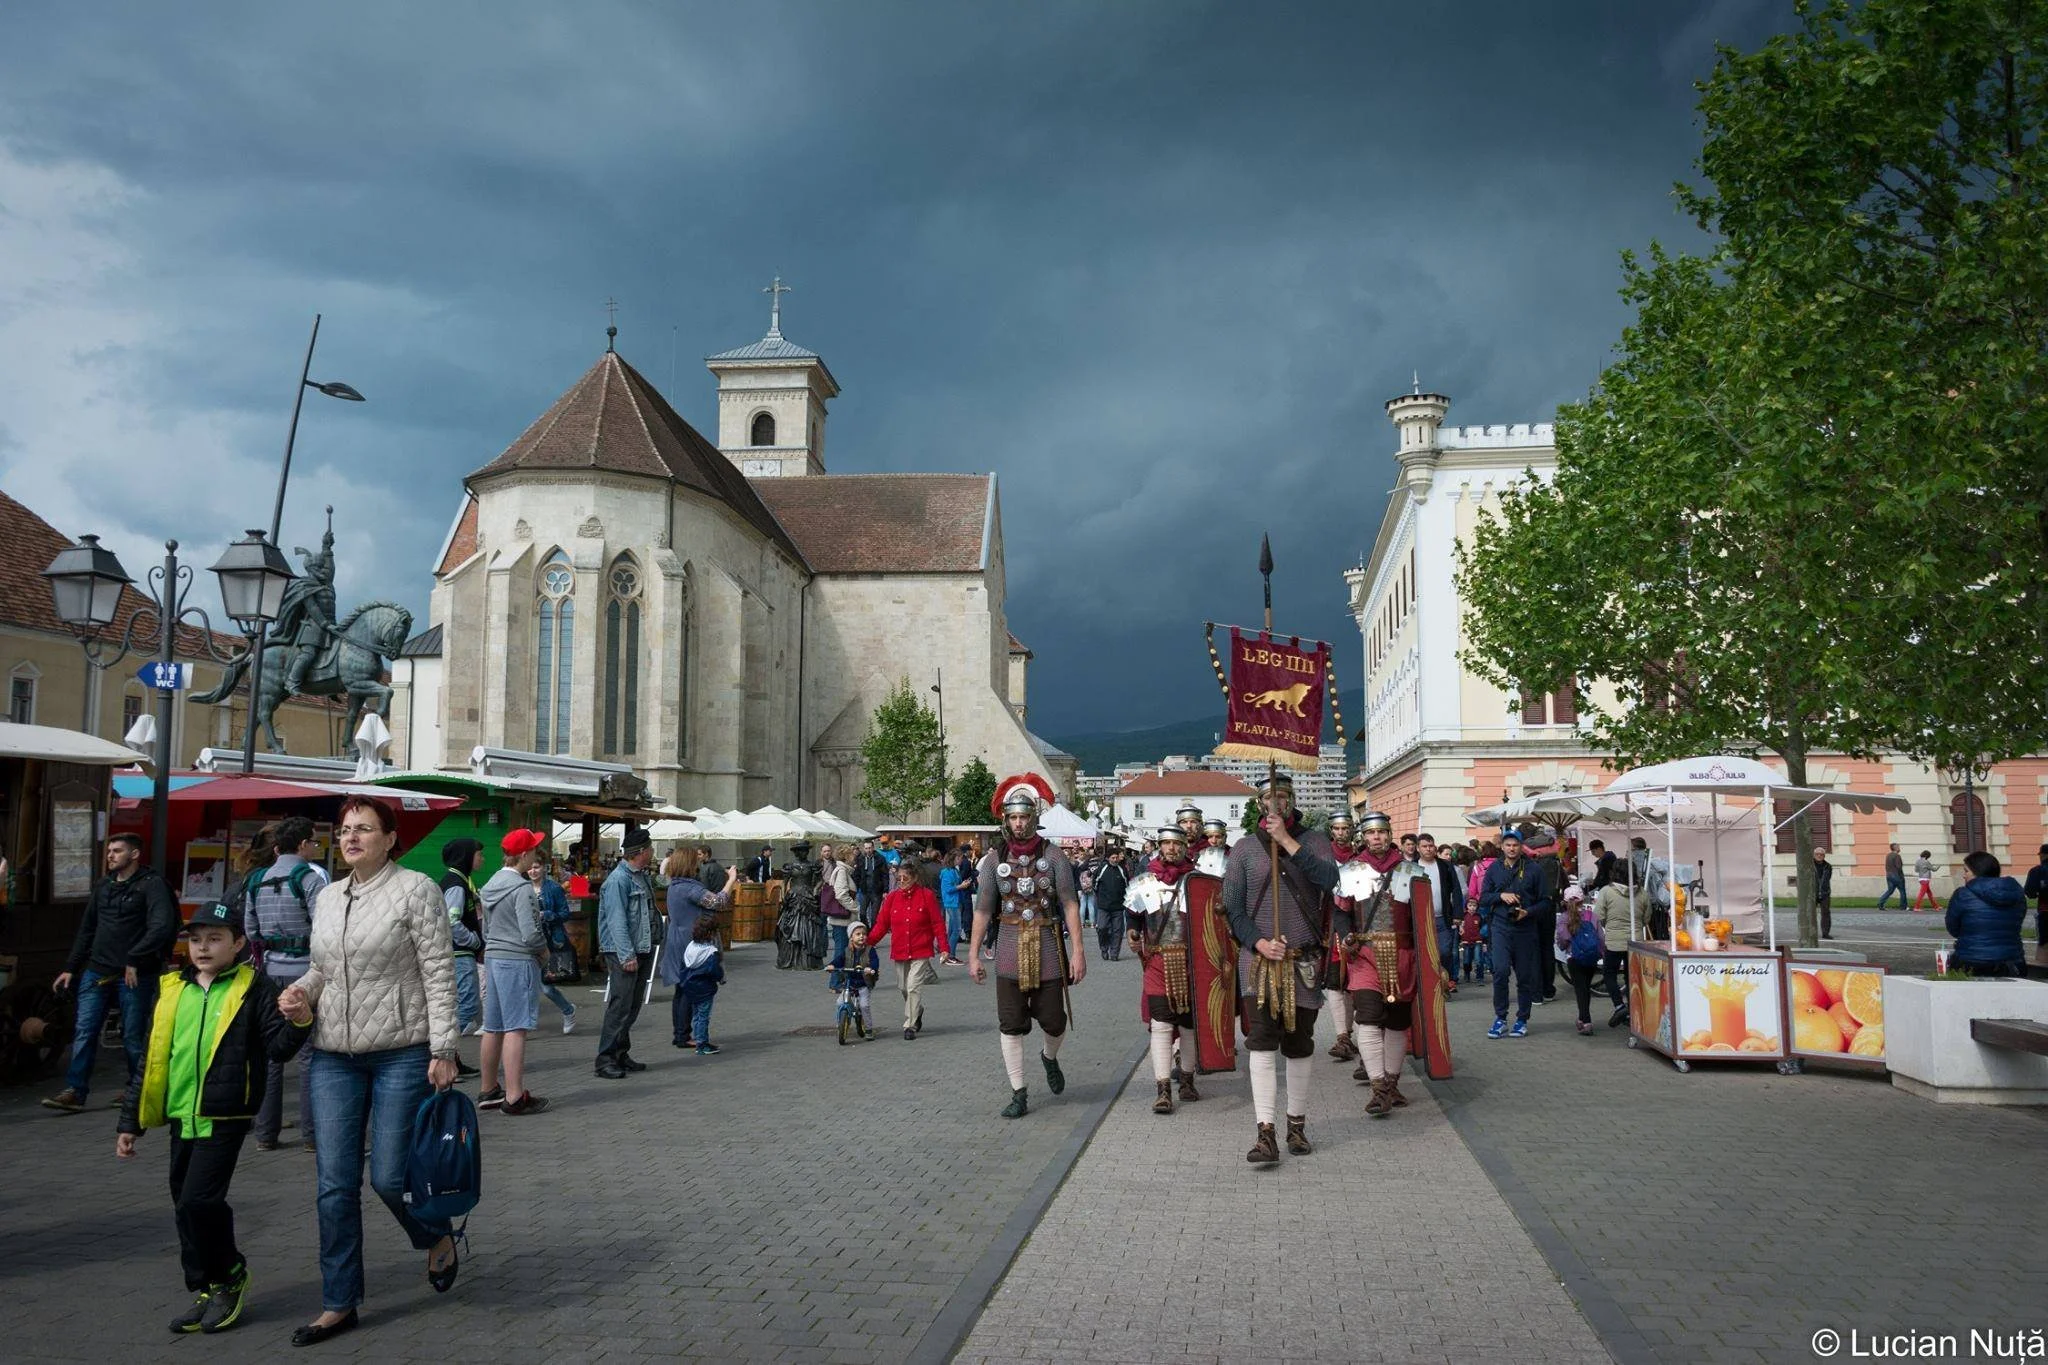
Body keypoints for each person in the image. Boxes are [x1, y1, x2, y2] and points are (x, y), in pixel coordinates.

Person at [275, 795, 461, 1347]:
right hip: (332, 1053)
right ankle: (338, 1303)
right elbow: (322, 967)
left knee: (388, 1176)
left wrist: (444, 1047)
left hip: (402, 1049)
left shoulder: (416, 891)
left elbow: (439, 972)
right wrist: (300, 992)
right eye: (344, 830)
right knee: (334, 1185)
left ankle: (435, 1235)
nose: (350, 837)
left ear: (389, 837)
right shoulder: (329, 896)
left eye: (363, 829)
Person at [117, 901, 311, 1335]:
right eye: (196, 939)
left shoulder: (251, 987)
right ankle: (204, 1287)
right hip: (180, 1115)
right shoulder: (172, 988)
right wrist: (131, 1122)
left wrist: (299, 1021)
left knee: (198, 1201)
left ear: (238, 944)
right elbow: (150, 1059)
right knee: (183, 1205)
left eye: (215, 938)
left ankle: (231, 1275)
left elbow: (278, 1049)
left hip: (225, 1115)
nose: (203, 947)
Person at [1223, 771, 1338, 1161]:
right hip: (1257, 961)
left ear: (1292, 800)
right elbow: (1233, 909)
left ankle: (1297, 1125)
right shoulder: (1242, 850)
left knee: (1300, 1044)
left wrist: (1287, 842)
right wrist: (1257, 940)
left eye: (1283, 796)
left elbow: (1329, 880)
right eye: (1269, 797)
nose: (1276, 803)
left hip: (1301, 958)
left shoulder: (1314, 842)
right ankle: (1265, 1131)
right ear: (1259, 804)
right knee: (1261, 1041)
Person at [969, 775, 1085, 1118]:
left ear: (1034, 818)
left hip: (1047, 943)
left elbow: (1070, 905)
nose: (1019, 823)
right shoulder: (993, 860)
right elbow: (983, 909)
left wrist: (1078, 951)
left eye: (1024, 816)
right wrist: (973, 954)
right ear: (1006, 819)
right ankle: (1019, 1092)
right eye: (1014, 817)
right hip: (1008, 946)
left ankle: (1049, 1057)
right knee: (1011, 1023)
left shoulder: (1055, 857)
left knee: (1054, 1021)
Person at [44, 831, 178, 1114]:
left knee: (132, 1033)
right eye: (109, 852)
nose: (110, 856)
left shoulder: (152, 886)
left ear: (134, 854)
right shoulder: (103, 886)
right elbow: (88, 928)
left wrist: (136, 957)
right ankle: (75, 1091)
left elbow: (162, 926)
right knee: (84, 1031)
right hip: (97, 969)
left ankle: (136, 1088)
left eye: (117, 851)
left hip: (136, 973)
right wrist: (71, 967)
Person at [244, 816, 328, 1150]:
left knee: (272, 1053)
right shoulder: (309, 880)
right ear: (304, 844)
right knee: (309, 1053)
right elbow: (325, 928)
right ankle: (311, 1135)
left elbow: (250, 930)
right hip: (304, 971)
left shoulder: (256, 880)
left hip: (269, 971)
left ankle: (266, 1133)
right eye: (314, 843)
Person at [1127, 826, 1202, 1114]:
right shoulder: (1143, 881)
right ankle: (1162, 1089)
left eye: (1176, 843)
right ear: (1160, 846)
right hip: (1158, 962)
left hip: (1191, 963)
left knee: (1188, 1026)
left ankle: (1187, 1079)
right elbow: (1133, 915)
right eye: (1166, 843)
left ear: (1185, 846)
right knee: (1160, 1026)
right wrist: (1133, 933)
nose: (1171, 848)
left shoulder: (1197, 882)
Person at [476, 829, 550, 1115]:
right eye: (532, 850)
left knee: (493, 1026)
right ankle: (515, 1095)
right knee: (516, 1027)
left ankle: (488, 1088)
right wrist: (543, 951)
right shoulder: (521, 889)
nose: (534, 855)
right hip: (517, 959)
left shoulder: (490, 885)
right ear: (522, 855)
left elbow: (485, 928)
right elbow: (531, 933)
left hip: (493, 956)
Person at [1332, 812, 1400, 1072]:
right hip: (1365, 954)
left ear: (1389, 835)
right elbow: (1340, 911)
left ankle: (1389, 1075)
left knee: (1395, 1017)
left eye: (1381, 832)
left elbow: (1420, 915)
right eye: (1371, 832)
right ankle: (1375, 1075)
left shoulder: (1406, 868)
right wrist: (1345, 934)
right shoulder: (1351, 870)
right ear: (1364, 836)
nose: (1376, 837)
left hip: (1399, 954)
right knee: (1369, 1013)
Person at [595, 827, 656, 1080]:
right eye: (650, 848)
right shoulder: (618, 881)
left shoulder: (640, 876)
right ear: (640, 852)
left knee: (631, 1004)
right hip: (624, 951)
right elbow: (616, 920)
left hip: (641, 948)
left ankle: (621, 1052)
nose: (653, 852)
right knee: (620, 1005)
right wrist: (626, 955)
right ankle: (605, 1059)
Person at [1478, 828, 1550, 1039]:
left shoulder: (1534, 869)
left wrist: (1528, 912)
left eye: (1515, 845)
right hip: (1500, 927)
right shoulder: (1494, 869)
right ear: (1502, 846)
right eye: (1508, 845)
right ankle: (1500, 1018)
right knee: (1500, 972)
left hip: (1525, 929)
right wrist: (1501, 895)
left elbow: (1546, 901)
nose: (1511, 848)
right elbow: (1483, 898)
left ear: (1521, 847)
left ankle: (1522, 1019)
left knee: (1524, 977)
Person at [661, 847, 734, 1046]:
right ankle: (685, 1035)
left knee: (681, 988)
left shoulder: (674, 886)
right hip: (690, 942)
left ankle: (680, 1034)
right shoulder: (689, 888)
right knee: (689, 988)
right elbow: (718, 902)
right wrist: (731, 880)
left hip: (677, 939)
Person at [870, 859, 948, 1040]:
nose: (902, 881)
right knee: (903, 987)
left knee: (913, 986)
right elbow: (881, 925)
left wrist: (944, 947)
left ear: (914, 878)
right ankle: (917, 1010)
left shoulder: (926, 895)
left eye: (905, 878)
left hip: (921, 948)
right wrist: (868, 942)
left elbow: (937, 923)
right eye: (899, 878)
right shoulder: (892, 898)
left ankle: (910, 1025)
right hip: (900, 949)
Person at [1945, 851, 2028, 977]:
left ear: (1977, 872)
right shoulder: (2016, 893)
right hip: (2011, 960)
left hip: (1970, 959)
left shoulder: (1962, 894)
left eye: (1966, 871)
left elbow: (1953, 928)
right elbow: (2019, 920)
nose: (1964, 876)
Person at [437, 839, 486, 1046]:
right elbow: (452, 921)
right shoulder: (456, 885)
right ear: (465, 857)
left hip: (460, 952)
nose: (482, 859)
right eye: (478, 855)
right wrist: (474, 941)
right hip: (460, 953)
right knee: (468, 1004)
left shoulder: (460, 881)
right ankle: (444, 1054)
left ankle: (451, 1058)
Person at [1416, 833, 1464, 997]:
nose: (1428, 849)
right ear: (1418, 848)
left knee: (1444, 951)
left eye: (1430, 846)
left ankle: (1445, 982)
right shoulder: (1411, 866)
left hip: (1442, 917)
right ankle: (1428, 986)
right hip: (1420, 919)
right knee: (1423, 954)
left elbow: (1456, 890)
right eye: (1424, 846)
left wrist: (1458, 913)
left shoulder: (1444, 866)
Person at [534, 856, 578, 1034]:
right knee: (528, 985)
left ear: (544, 868)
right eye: (530, 868)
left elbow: (565, 913)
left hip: (551, 941)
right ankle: (527, 1022)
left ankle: (568, 1010)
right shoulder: (522, 888)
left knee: (546, 987)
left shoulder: (553, 888)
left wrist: (548, 914)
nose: (533, 871)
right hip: (529, 942)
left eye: (536, 867)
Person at [1592, 873, 1641, 1027]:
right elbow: (1647, 916)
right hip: (1635, 940)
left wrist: (1609, 925)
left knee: (1609, 974)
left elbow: (1598, 915)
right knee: (1632, 976)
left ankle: (1620, 1006)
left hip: (1614, 940)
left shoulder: (1606, 891)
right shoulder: (1642, 893)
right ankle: (1633, 1011)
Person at [672, 916, 726, 1054]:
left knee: (696, 1015)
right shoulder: (711, 953)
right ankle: (702, 1043)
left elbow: (684, 966)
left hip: (690, 986)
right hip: (704, 989)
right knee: (703, 1016)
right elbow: (715, 971)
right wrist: (720, 978)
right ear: (711, 934)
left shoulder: (690, 947)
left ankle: (698, 1039)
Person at [774, 842, 827, 971]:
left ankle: (809, 959)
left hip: (808, 896)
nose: (804, 853)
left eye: (806, 851)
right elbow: (784, 882)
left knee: (810, 926)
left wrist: (815, 889)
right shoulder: (790, 866)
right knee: (789, 926)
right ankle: (790, 959)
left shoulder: (813, 865)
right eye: (802, 851)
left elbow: (821, 880)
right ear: (797, 852)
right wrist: (782, 895)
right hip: (794, 896)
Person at [1557, 900, 1606, 1035]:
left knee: (1580, 989)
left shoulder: (1565, 917)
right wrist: (1601, 952)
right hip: (1591, 958)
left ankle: (1586, 1021)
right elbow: (1601, 937)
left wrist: (1564, 947)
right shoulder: (1592, 916)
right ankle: (1581, 1018)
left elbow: (1562, 938)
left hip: (1574, 957)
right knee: (1585, 987)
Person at [1525, 828, 1563, 1001]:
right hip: (1550, 908)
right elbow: (1564, 884)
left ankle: (1537, 991)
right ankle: (1549, 988)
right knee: (1547, 949)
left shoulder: (1531, 864)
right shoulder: (1556, 862)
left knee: (1534, 950)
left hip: (1533, 910)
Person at [830, 921, 880, 1039]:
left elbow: (874, 961)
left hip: (863, 984)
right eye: (857, 934)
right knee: (840, 1002)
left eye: (863, 934)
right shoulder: (847, 950)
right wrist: (832, 966)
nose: (861, 936)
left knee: (864, 1006)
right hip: (850, 983)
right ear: (851, 937)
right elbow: (839, 960)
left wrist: (871, 968)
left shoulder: (870, 950)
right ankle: (840, 1024)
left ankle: (868, 1029)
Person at [822, 843, 859, 963]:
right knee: (841, 951)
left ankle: (840, 979)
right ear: (846, 856)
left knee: (843, 951)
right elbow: (841, 894)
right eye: (852, 854)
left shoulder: (844, 870)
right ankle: (836, 981)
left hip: (842, 918)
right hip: (842, 919)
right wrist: (855, 907)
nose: (854, 857)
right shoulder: (842, 871)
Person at [1092, 843, 1130, 960]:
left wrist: (1125, 899)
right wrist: (1100, 897)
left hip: (1118, 906)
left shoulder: (1122, 870)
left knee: (1117, 931)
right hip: (1104, 906)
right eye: (1112, 858)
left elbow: (1127, 885)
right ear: (1108, 858)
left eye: (1116, 857)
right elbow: (1095, 884)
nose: (1115, 860)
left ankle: (1114, 953)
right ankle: (1104, 948)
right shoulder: (1101, 869)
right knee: (1102, 928)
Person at [852, 840, 888, 925]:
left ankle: (872, 935)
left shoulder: (880, 858)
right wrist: (855, 889)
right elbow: (857, 875)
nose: (868, 850)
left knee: (874, 917)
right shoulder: (860, 859)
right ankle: (866, 931)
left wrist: (885, 890)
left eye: (870, 848)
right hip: (864, 890)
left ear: (873, 848)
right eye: (866, 848)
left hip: (877, 890)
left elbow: (885, 875)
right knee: (862, 914)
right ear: (864, 849)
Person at [1458, 900, 1487, 984]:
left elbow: (1483, 930)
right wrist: (1460, 940)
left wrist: (1484, 943)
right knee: (1466, 961)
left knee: (1478, 960)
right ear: (1466, 906)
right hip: (1466, 942)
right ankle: (1467, 974)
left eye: (1474, 906)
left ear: (1477, 907)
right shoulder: (1463, 916)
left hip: (1478, 941)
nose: (1472, 907)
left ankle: (1480, 978)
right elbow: (1459, 929)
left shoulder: (1479, 917)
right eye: (1470, 905)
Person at [2025, 844, 2048, 948]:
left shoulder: (2037, 871)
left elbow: (2030, 892)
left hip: (2045, 910)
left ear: (2043, 855)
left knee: (2044, 944)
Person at [1813, 847, 1835, 940]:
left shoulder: (1828, 866)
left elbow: (1828, 878)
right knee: (1810, 913)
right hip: (1812, 892)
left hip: (1825, 892)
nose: (1819, 856)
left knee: (1826, 913)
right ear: (1814, 855)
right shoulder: (1809, 865)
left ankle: (1825, 933)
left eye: (1821, 854)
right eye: (1817, 854)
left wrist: (1824, 889)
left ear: (1824, 856)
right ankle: (1810, 932)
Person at [1879, 843, 1908, 911]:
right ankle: (1903, 906)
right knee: (1902, 891)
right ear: (1895, 848)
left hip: (1889, 875)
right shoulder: (1897, 856)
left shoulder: (1888, 855)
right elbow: (1899, 867)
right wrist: (1901, 877)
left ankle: (1880, 903)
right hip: (1896, 875)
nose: (1899, 848)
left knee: (1890, 891)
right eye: (1898, 847)